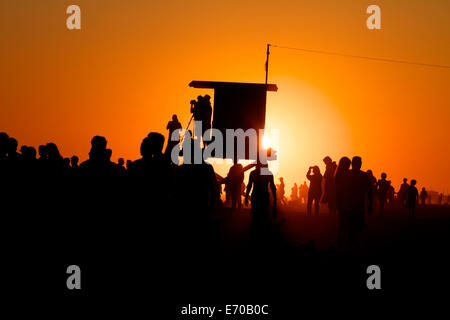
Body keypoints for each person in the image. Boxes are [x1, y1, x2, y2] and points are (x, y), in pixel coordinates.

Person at [345, 156, 373, 250]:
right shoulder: (363, 175)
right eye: (360, 162)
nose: (361, 164)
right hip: (357, 205)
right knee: (357, 225)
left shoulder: (347, 174)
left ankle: (351, 242)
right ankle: (354, 243)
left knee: (351, 225)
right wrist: (370, 204)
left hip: (349, 204)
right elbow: (369, 191)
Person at [245, 163, 277, 244]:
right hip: (264, 196)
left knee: (255, 216)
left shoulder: (253, 173)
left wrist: (246, 197)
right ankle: (263, 235)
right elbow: (272, 186)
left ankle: (255, 235)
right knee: (263, 216)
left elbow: (249, 185)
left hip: (256, 195)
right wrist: (275, 198)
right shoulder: (268, 173)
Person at [334, 156, 351, 249]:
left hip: (340, 200)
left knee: (342, 223)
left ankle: (340, 242)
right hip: (345, 200)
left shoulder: (337, 174)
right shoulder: (346, 174)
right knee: (345, 223)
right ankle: (343, 242)